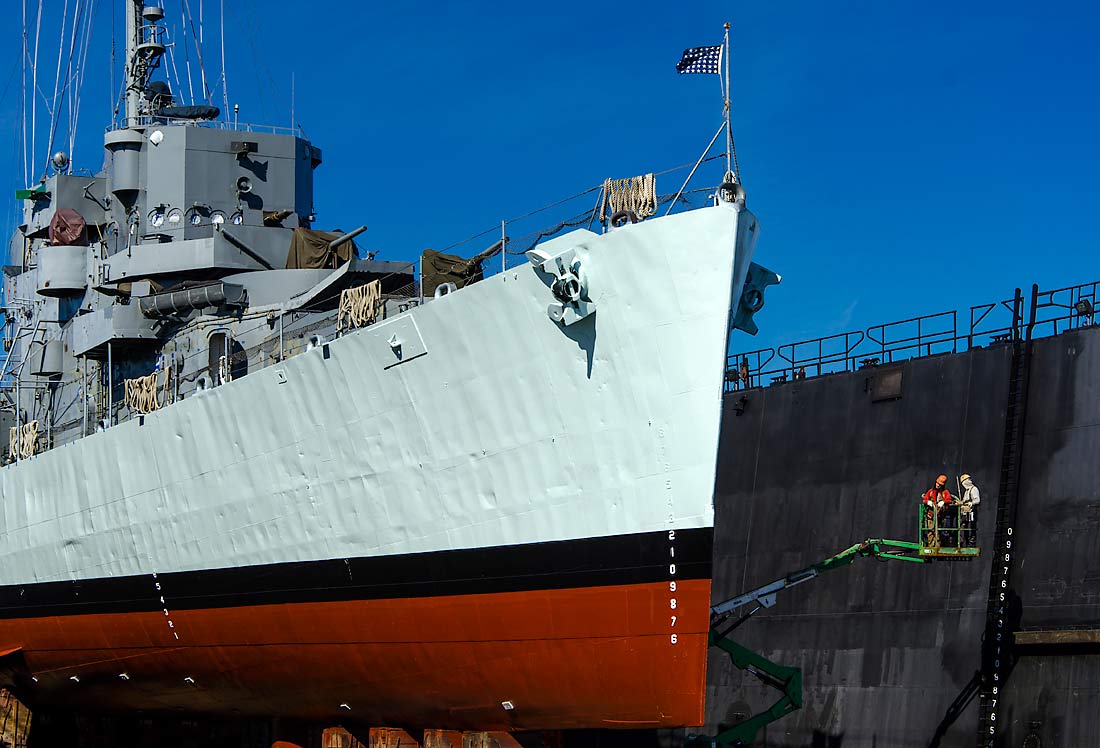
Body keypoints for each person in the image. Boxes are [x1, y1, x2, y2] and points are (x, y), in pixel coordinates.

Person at [922, 474, 955, 547]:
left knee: (938, 532)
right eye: (937, 483)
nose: (938, 485)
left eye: (940, 484)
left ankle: (937, 546)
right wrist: (928, 502)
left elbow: (949, 500)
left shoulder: (945, 492)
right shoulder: (930, 491)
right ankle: (931, 546)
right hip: (931, 515)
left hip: (940, 516)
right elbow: (924, 499)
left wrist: (943, 502)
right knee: (931, 531)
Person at [958, 473, 980, 547]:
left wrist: (972, 503)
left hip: (971, 512)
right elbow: (964, 501)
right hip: (965, 513)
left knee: (971, 527)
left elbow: (977, 500)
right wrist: (960, 503)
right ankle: (963, 542)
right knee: (963, 526)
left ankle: (971, 542)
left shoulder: (974, 489)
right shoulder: (966, 491)